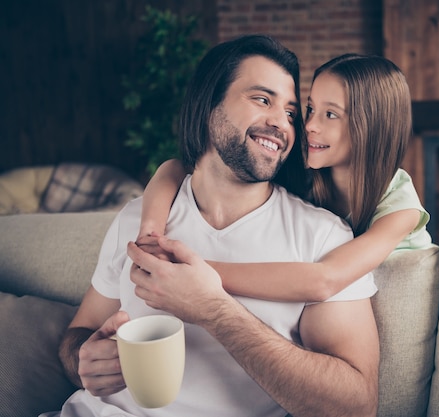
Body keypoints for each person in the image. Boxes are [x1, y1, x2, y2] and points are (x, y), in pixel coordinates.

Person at [45, 35, 379, 417]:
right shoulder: (140, 218)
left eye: (290, 112)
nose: (281, 124)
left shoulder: (323, 237)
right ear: (208, 105)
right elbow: (80, 332)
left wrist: (214, 311)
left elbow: (357, 405)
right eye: (262, 99)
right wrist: (84, 361)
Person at [137, 53, 432, 303]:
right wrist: (151, 232)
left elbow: (325, 280)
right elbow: (176, 168)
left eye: (331, 115)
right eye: (309, 109)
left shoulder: (399, 204)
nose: (309, 125)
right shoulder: (308, 182)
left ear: (373, 127)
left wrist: (196, 273)